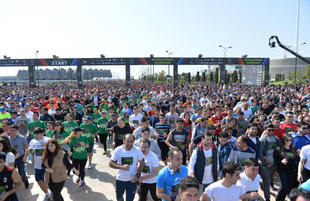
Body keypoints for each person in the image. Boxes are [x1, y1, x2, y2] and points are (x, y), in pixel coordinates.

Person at [109, 134, 144, 201]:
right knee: (119, 198)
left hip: (132, 181)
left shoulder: (137, 150)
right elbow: (110, 163)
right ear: (124, 140)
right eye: (127, 141)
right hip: (120, 180)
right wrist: (121, 167)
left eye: (131, 141)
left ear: (134, 141)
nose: (129, 143)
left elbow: (142, 163)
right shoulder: (118, 150)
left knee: (130, 199)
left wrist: (137, 175)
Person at [24, 127, 52, 200]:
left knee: (48, 182)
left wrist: (47, 146)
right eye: (34, 134)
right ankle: (47, 194)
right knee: (39, 181)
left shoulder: (48, 140)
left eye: (37, 134)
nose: (35, 136)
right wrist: (26, 155)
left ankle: (53, 193)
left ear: (42, 133)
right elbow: (30, 150)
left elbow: (56, 149)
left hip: (48, 165)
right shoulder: (32, 141)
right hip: (37, 165)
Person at [274, 133, 298, 201]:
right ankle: (278, 198)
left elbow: (295, 159)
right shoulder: (278, 149)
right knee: (284, 186)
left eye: (291, 140)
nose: (289, 142)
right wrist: (281, 161)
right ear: (283, 140)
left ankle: (282, 198)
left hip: (291, 171)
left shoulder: (293, 148)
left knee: (288, 187)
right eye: (287, 140)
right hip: (282, 170)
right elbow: (275, 160)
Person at [259, 123, 280, 201]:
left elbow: (279, 150)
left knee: (269, 179)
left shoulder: (276, 139)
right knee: (267, 181)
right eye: (269, 130)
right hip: (265, 165)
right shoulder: (262, 140)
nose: (271, 131)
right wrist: (265, 162)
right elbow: (260, 153)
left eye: (272, 130)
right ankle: (267, 198)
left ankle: (263, 184)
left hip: (274, 164)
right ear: (265, 130)